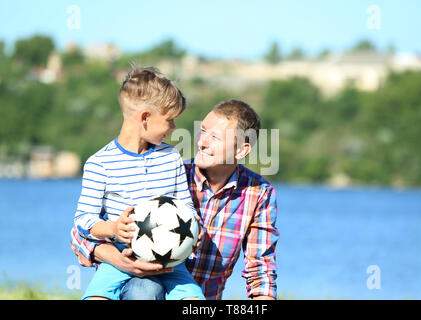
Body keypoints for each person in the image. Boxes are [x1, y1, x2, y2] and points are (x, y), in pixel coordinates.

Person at [71, 99, 279, 300]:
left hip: (198, 297)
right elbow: (79, 234)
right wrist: (122, 262)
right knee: (144, 289)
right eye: (203, 131)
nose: (202, 142)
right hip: (144, 284)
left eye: (215, 137)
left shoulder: (259, 193)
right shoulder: (169, 171)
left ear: (241, 150)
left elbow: (260, 268)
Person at [72, 66, 205, 300]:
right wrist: (113, 228)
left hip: (171, 261)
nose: (173, 127)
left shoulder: (171, 157)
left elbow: (186, 206)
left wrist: (194, 227)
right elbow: (84, 220)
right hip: (120, 258)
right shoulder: (99, 163)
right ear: (145, 117)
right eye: (170, 120)